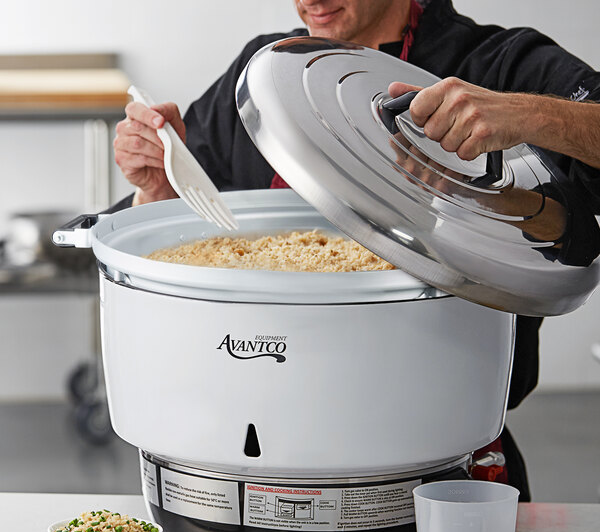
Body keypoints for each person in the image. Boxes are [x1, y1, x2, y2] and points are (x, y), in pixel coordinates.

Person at [112, 0, 600, 501]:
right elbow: (192, 228)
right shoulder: (267, 73)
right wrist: (157, 191)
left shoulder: (500, 64)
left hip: (443, 454)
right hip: (253, 454)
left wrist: (528, 114)